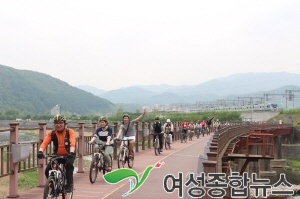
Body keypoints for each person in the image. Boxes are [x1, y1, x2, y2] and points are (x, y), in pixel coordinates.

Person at [37, 114, 76, 193]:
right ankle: (53, 187)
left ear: (65, 124)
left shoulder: (70, 132)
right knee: (48, 169)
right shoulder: (52, 133)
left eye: (61, 123)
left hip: (69, 155)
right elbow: (45, 142)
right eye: (56, 123)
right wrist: (40, 151)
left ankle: (69, 185)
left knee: (69, 166)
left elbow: (72, 142)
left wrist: (71, 152)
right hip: (57, 154)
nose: (59, 125)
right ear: (54, 124)